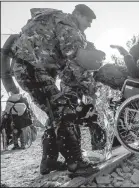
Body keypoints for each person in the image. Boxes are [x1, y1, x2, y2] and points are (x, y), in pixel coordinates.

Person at [2, 4, 105, 175]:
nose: (89, 25)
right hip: (33, 68)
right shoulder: (68, 26)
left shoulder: (56, 21)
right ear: (78, 15)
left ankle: (49, 160)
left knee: (54, 112)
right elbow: (76, 60)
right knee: (62, 109)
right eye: (88, 20)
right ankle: (75, 163)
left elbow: (66, 68)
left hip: (29, 68)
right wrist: (92, 89)